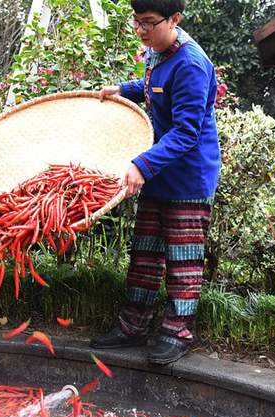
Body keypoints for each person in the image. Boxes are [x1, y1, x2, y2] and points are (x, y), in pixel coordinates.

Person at [91, 0, 221, 364]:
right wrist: (122, 89)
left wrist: (142, 165)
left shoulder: (192, 65)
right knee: (145, 254)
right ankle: (133, 326)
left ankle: (177, 332)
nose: (141, 30)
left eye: (149, 23)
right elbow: (152, 87)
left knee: (183, 257)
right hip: (157, 172)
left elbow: (186, 133)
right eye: (137, 22)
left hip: (187, 178)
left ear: (174, 20)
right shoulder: (157, 52)